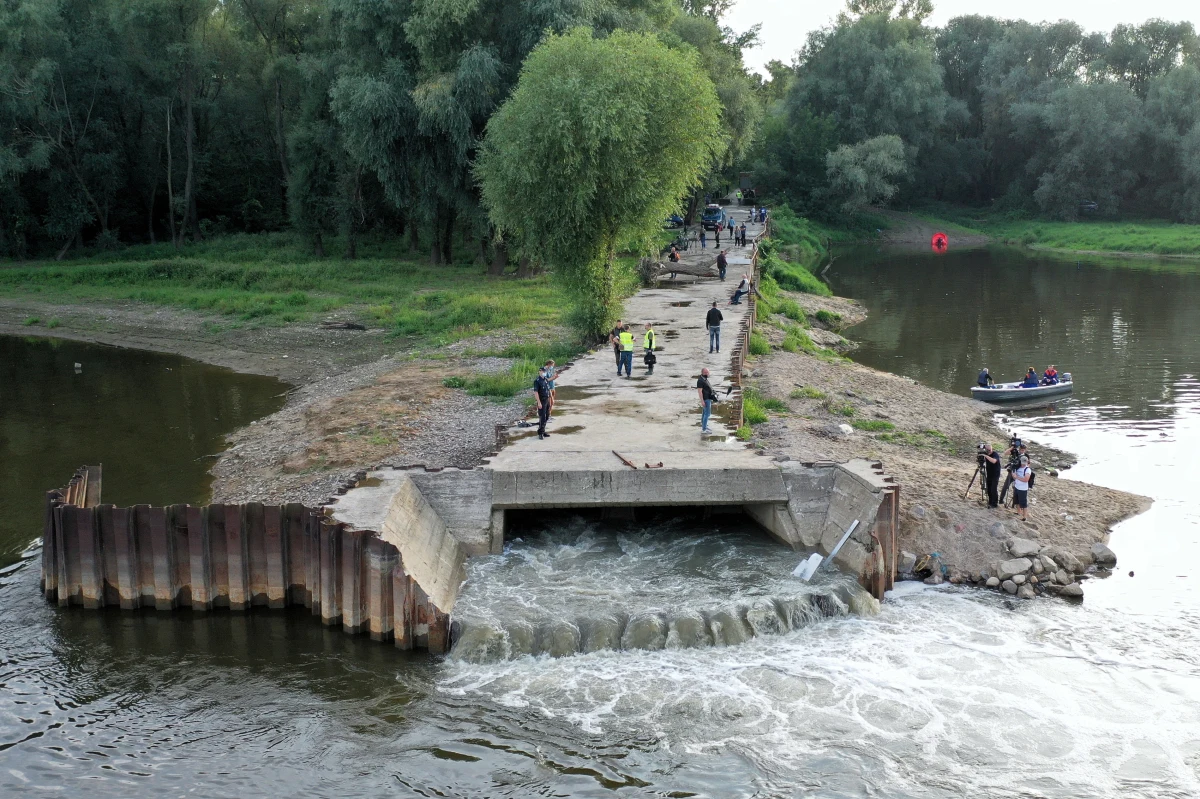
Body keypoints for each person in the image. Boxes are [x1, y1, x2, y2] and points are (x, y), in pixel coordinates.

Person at [533, 366, 552, 440]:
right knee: (542, 417)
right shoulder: (537, 381)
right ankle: (540, 433)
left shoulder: (545, 380)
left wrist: (550, 400)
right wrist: (539, 402)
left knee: (547, 416)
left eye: (545, 371)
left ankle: (543, 431)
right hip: (541, 400)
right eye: (543, 371)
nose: (544, 373)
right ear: (540, 371)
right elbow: (536, 392)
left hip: (547, 400)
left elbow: (548, 390)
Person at [1012, 455, 1032, 521]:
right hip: (1017, 486)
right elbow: (1014, 476)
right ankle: (1018, 512)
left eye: (1024, 463)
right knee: (1017, 501)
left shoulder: (1027, 470)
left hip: (1023, 489)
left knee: (1023, 503)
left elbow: (1026, 479)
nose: (1023, 464)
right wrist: (1013, 475)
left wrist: (1017, 477)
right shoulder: (1018, 467)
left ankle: (1024, 517)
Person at [981, 443, 1002, 508]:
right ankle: (990, 501)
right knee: (989, 488)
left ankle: (994, 503)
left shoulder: (995, 454)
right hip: (989, 474)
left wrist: (985, 455)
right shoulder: (986, 453)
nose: (989, 451)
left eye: (990, 450)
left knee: (993, 488)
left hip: (995, 474)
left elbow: (994, 461)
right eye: (988, 450)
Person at [697, 367, 716, 434]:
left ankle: (704, 426)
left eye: (708, 372)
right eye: (705, 372)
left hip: (708, 398)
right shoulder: (700, 381)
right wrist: (702, 401)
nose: (707, 373)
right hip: (705, 399)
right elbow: (700, 392)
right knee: (707, 414)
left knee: (704, 414)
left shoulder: (704, 379)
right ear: (702, 373)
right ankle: (704, 429)